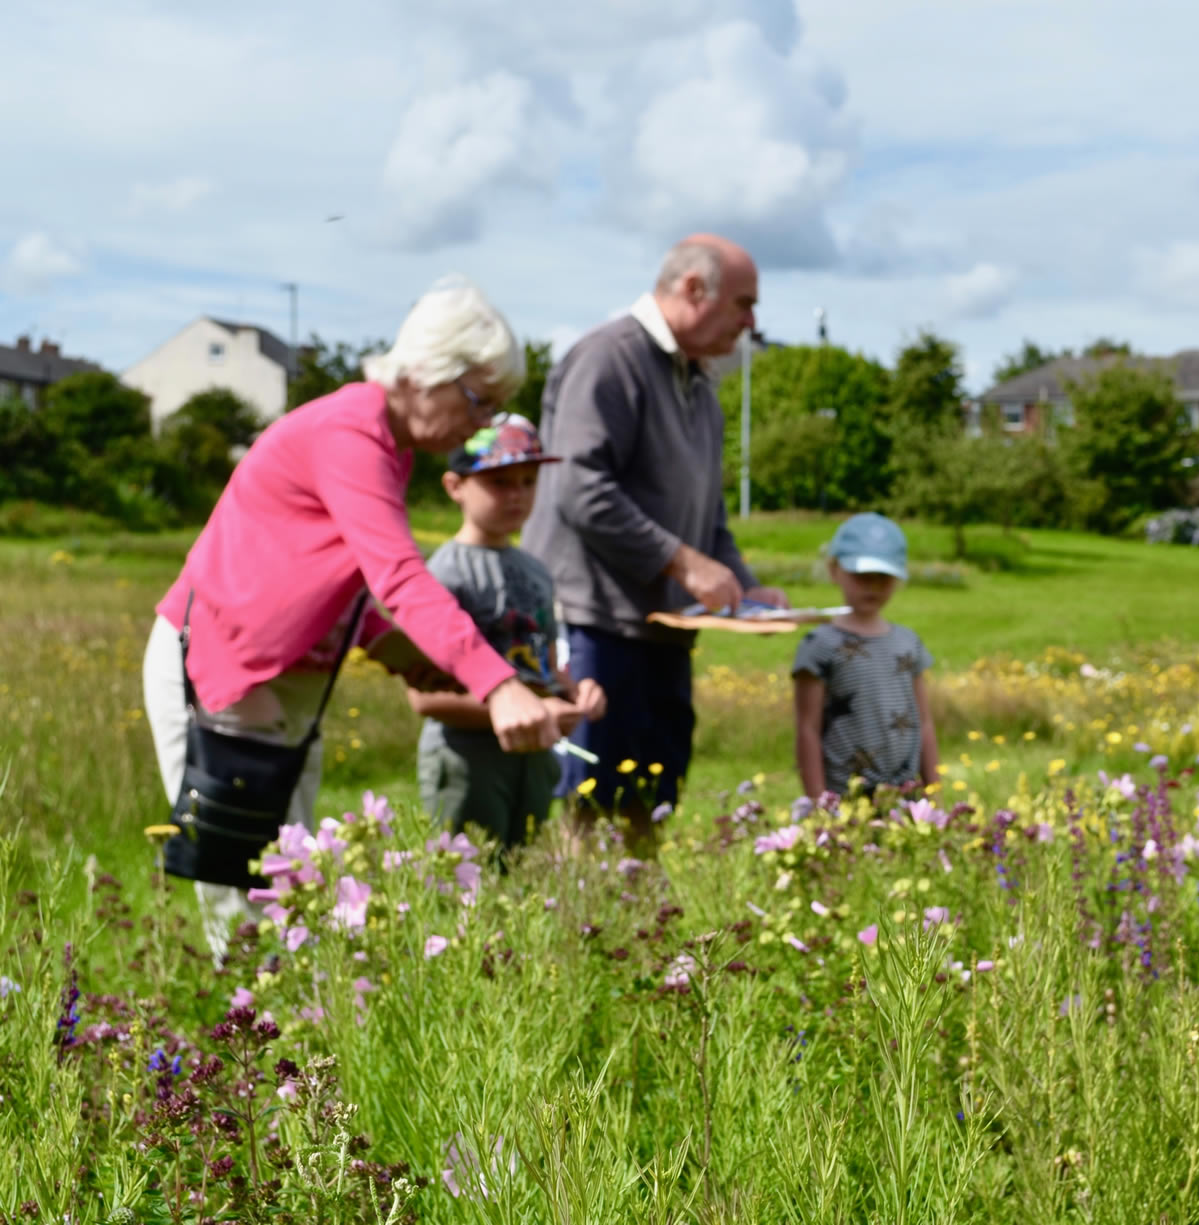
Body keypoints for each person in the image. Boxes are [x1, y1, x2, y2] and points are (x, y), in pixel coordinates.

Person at [143, 278, 562, 960]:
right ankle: (250, 1044)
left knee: (295, 878)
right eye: (478, 401)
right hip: (219, 671)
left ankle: (298, 1043)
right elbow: (397, 572)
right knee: (247, 885)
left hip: (282, 682)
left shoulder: (387, 445)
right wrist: (498, 682)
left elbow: (332, 567)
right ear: (429, 374)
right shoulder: (351, 432)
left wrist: (385, 642)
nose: (478, 424)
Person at [525, 236, 787, 846]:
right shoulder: (608, 359)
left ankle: (635, 932)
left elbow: (708, 516)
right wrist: (681, 562)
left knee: (654, 799)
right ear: (694, 289)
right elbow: (579, 488)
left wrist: (746, 589)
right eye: (743, 303)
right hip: (593, 625)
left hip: (662, 631)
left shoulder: (701, 386)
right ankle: (576, 930)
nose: (752, 322)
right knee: (585, 807)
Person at [409, 413, 608, 849]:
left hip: (534, 759)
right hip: (466, 760)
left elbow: (548, 666)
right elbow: (424, 696)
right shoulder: (443, 573)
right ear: (455, 486)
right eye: (499, 482)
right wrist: (518, 712)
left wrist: (576, 694)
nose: (516, 495)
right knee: (466, 888)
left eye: (527, 481)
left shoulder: (535, 571)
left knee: (521, 885)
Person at [792, 514, 939, 799]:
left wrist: (935, 794)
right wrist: (818, 801)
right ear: (834, 570)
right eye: (862, 576)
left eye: (883, 577)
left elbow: (925, 722)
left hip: (907, 798)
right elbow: (807, 729)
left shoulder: (908, 642)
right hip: (845, 799)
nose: (872, 585)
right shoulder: (819, 645)